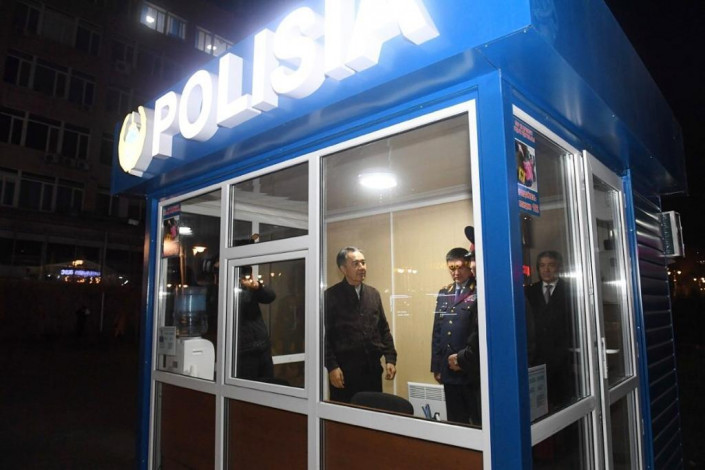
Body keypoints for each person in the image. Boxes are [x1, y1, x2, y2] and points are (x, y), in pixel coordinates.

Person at [324, 247, 397, 403]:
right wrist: (332, 367)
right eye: (356, 264)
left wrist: (390, 358)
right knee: (345, 413)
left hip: (372, 370)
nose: (362, 267)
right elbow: (324, 336)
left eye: (363, 263)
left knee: (372, 411)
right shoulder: (330, 296)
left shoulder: (373, 294)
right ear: (343, 269)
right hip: (344, 373)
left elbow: (383, 329)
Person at [431, 248, 481, 425]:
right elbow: (437, 331)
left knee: (476, 419)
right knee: (455, 419)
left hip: (469, 368)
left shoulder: (478, 290)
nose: (456, 273)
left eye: (460, 267)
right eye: (452, 268)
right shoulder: (444, 293)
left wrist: (466, 360)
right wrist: (437, 366)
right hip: (448, 368)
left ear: (468, 266)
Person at [525, 250, 576, 411]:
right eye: (542, 265)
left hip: (563, 359)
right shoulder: (529, 292)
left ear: (559, 267)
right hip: (537, 359)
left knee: (563, 406)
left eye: (551, 265)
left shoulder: (571, 290)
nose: (546, 270)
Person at [236, 265, 277, 381]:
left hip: (262, 346)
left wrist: (256, 286)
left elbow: (270, 296)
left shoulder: (249, 289)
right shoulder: (227, 291)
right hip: (243, 351)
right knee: (248, 387)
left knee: (268, 383)